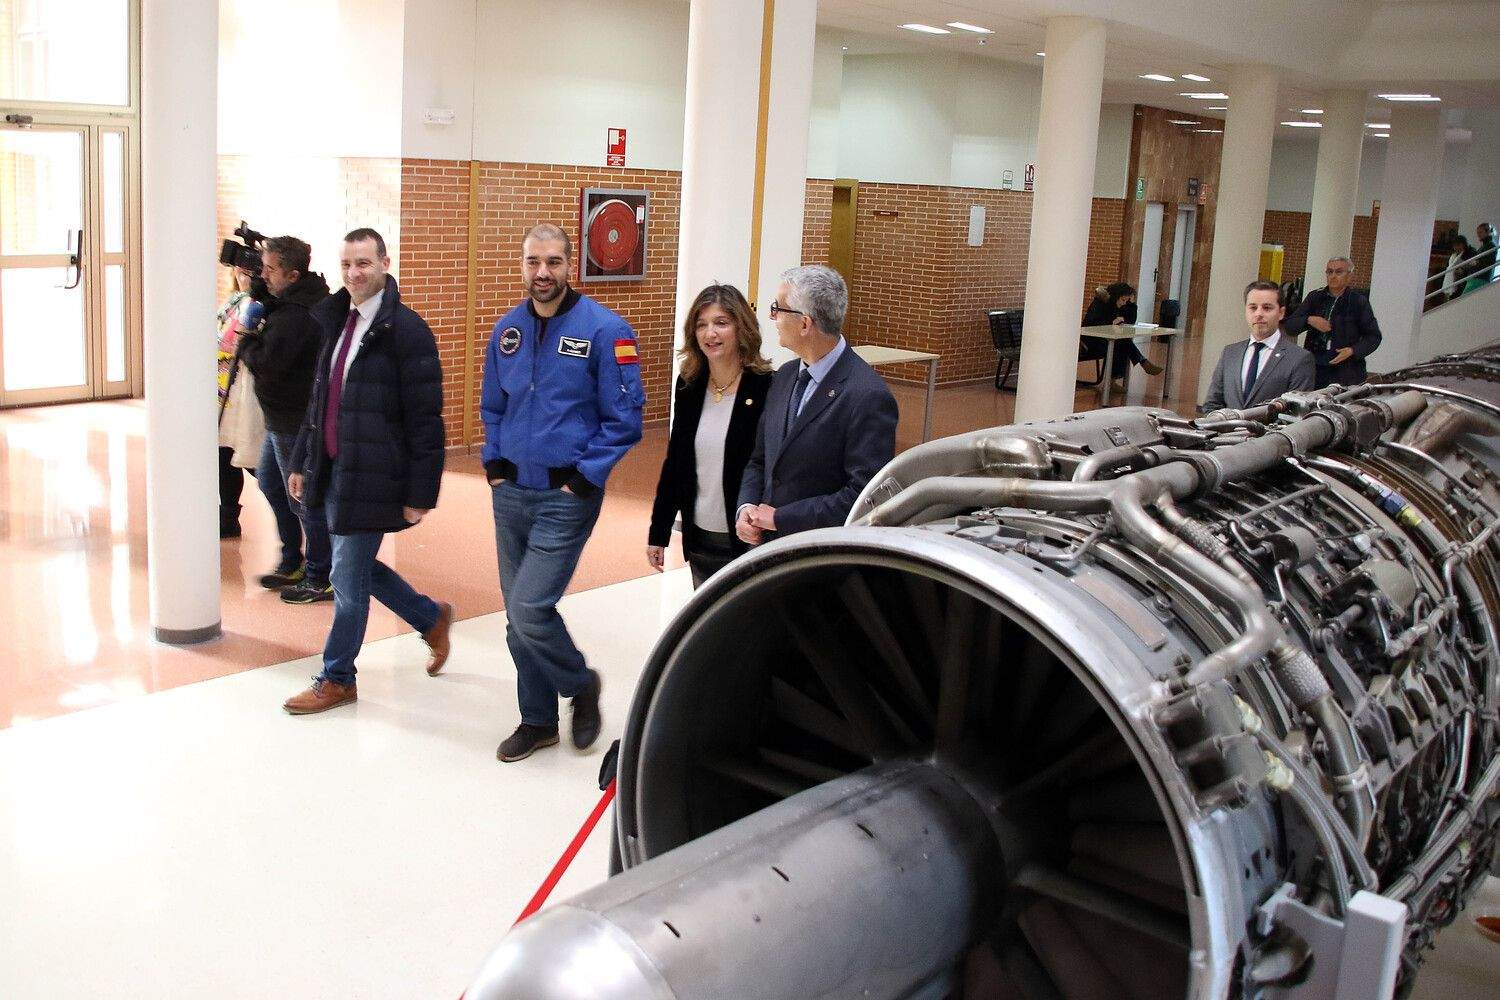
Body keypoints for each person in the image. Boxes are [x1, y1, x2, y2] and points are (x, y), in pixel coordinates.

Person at [481, 223, 645, 762]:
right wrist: (493, 465)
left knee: (530, 609)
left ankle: (581, 684)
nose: (542, 273)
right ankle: (537, 720)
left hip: (565, 497)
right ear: (522, 265)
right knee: (517, 619)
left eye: (553, 262)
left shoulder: (605, 329)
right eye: (533, 262)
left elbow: (624, 418)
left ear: (570, 264)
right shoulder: (507, 330)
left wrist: (583, 478)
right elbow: (493, 405)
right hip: (511, 495)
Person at [281, 228, 452, 715]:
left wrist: (422, 491)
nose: (354, 274)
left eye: (364, 264)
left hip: (375, 474)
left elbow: (425, 419)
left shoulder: (406, 330)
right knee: (349, 567)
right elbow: (320, 399)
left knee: (347, 578)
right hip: (334, 468)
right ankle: (429, 616)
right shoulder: (337, 319)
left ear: (384, 263)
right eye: (347, 265)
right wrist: (300, 461)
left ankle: (338, 676)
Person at [736, 264, 898, 546]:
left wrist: (782, 518)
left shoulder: (867, 395)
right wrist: (746, 507)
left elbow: (865, 496)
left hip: (821, 557)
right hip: (769, 551)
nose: (772, 317)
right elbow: (759, 458)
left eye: (778, 308)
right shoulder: (785, 377)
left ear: (804, 323)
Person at [647, 284, 772, 587]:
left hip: (747, 540)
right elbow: (676, 462)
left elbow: (768, 468)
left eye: (721, 323)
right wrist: (659, 531)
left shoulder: (765, 386)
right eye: (701, 325)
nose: (709, 334)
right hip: (700, 538)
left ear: (740, 327)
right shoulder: (689, 384)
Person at [236, 237, 334, 603]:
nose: (264, 276)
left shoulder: (296, 316)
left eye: (270, 270)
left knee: (303, 498)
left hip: (294, 420)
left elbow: (268, 365)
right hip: (280, 419)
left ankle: (319, 575)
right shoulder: (293, 301)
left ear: (293, 274)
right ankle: (293, 559)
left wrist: (246, 339)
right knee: (273, 485)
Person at [1203, 281, 1316, 412]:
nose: (1258, 314)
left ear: (1281, 313)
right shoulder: (1230, 353)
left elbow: (1297, 414)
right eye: (1253, 307)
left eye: (1267, 308)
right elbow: (1212, 404)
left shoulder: (1299, 359)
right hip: (1227, 432)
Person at [1283, 256, 1382, 388]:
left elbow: (1373, 337)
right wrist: (1309, 320)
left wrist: (1353, 351)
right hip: (1315, 366)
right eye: (1330, 272)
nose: (1333, 276)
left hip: (1346, 369)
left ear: (1349, 276)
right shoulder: (1315, 297)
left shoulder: (1358, 301)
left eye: (1339, 272)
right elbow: (1290, 325)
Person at [216, 269, 264, 539]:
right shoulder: (233, 300)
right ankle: (228, 517)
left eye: (251, 271)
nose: (244, 275)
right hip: (225, 389)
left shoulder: (259, 305)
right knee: (223, 453)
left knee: (252, 457)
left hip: (247, 392)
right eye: (240, 269)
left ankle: (300, 512)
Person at [1079, 282, 1165, 382]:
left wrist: (1132, 304)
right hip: (1090, 341)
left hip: (1104, 339)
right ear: (1116, 296)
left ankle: (1115, 379)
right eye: (1123, 300)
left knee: (1121, 341)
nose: (1124, 303)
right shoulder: (1099, 303)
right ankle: (1140, 362)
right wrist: (1111, 322)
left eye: (1126, 300)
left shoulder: (1116, 303)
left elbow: (1131, 320)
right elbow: (1090, 323)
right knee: (1121, 343)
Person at [1466, 222, 1497, 291]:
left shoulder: (1491, 245)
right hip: (1476, 277)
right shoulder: (1484, 246)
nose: (1478, 235)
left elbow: (1487, 262)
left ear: (1487, 232)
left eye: (1480, 232)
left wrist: (1475, 263)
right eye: (1477, 232)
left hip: (1480, 278)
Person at [1446, 235, 1474, 301]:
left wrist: (1462, 270)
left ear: (1462, 244)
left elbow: (1472, 265)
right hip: (1456, 282)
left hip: (1465, 282)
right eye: (1454, 246)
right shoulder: (1455, 255)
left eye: (1457, 245)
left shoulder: (1471, 252)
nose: (1455, 248)